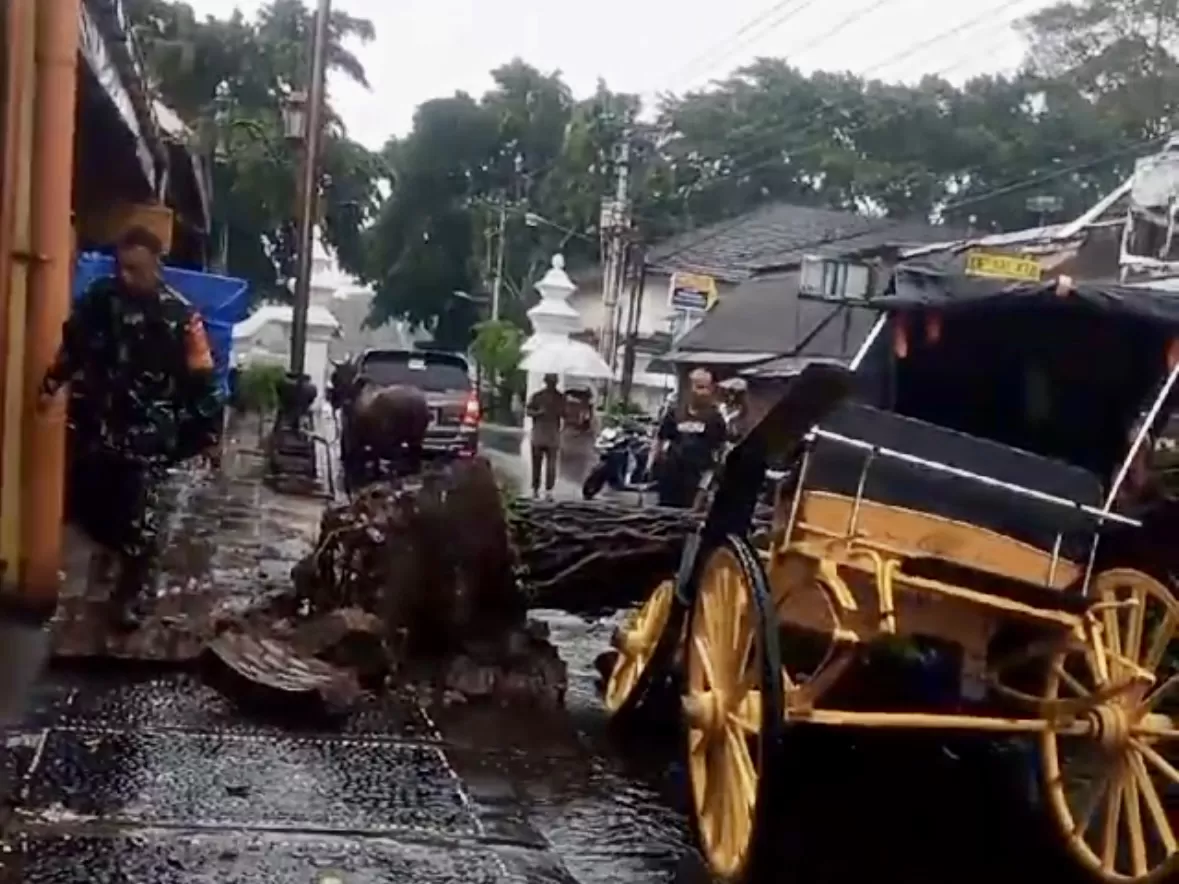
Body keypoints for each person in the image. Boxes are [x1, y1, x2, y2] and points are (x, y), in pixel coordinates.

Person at [39, 225, 224, 630]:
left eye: (135, 269)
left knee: (141, 523)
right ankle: (111, 555)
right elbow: (74, 347)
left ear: (156, 265)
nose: (125, 276)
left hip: (149, 435)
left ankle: (128, 597)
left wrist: (210, 435)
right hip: (99, 427)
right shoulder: (100, 300)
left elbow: (203, 379)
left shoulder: (179, 316)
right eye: (121, 267)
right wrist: (52, 383)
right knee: (86, 508)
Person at [650, 368, 727, 508]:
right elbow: (660, 439)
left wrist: (704, 487)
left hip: (695, 482)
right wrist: (653, 463)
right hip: (670, 478)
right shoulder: (675, 413)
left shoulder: (715, 419)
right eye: (699, 387)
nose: (703, 393)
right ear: (689, 388)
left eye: (707, 388)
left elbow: (718, 454)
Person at [526, 373, 565, 500]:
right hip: (540, 435)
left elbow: (565, 414)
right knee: (538, 464)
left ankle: (547, 489)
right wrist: (539, 413)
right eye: (550, 382)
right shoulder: (538, 396)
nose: (551, 384)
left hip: (551, 436)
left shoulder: (560, 398)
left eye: (553, 382)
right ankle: (537, 488)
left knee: (550, 466)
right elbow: (528, 411)